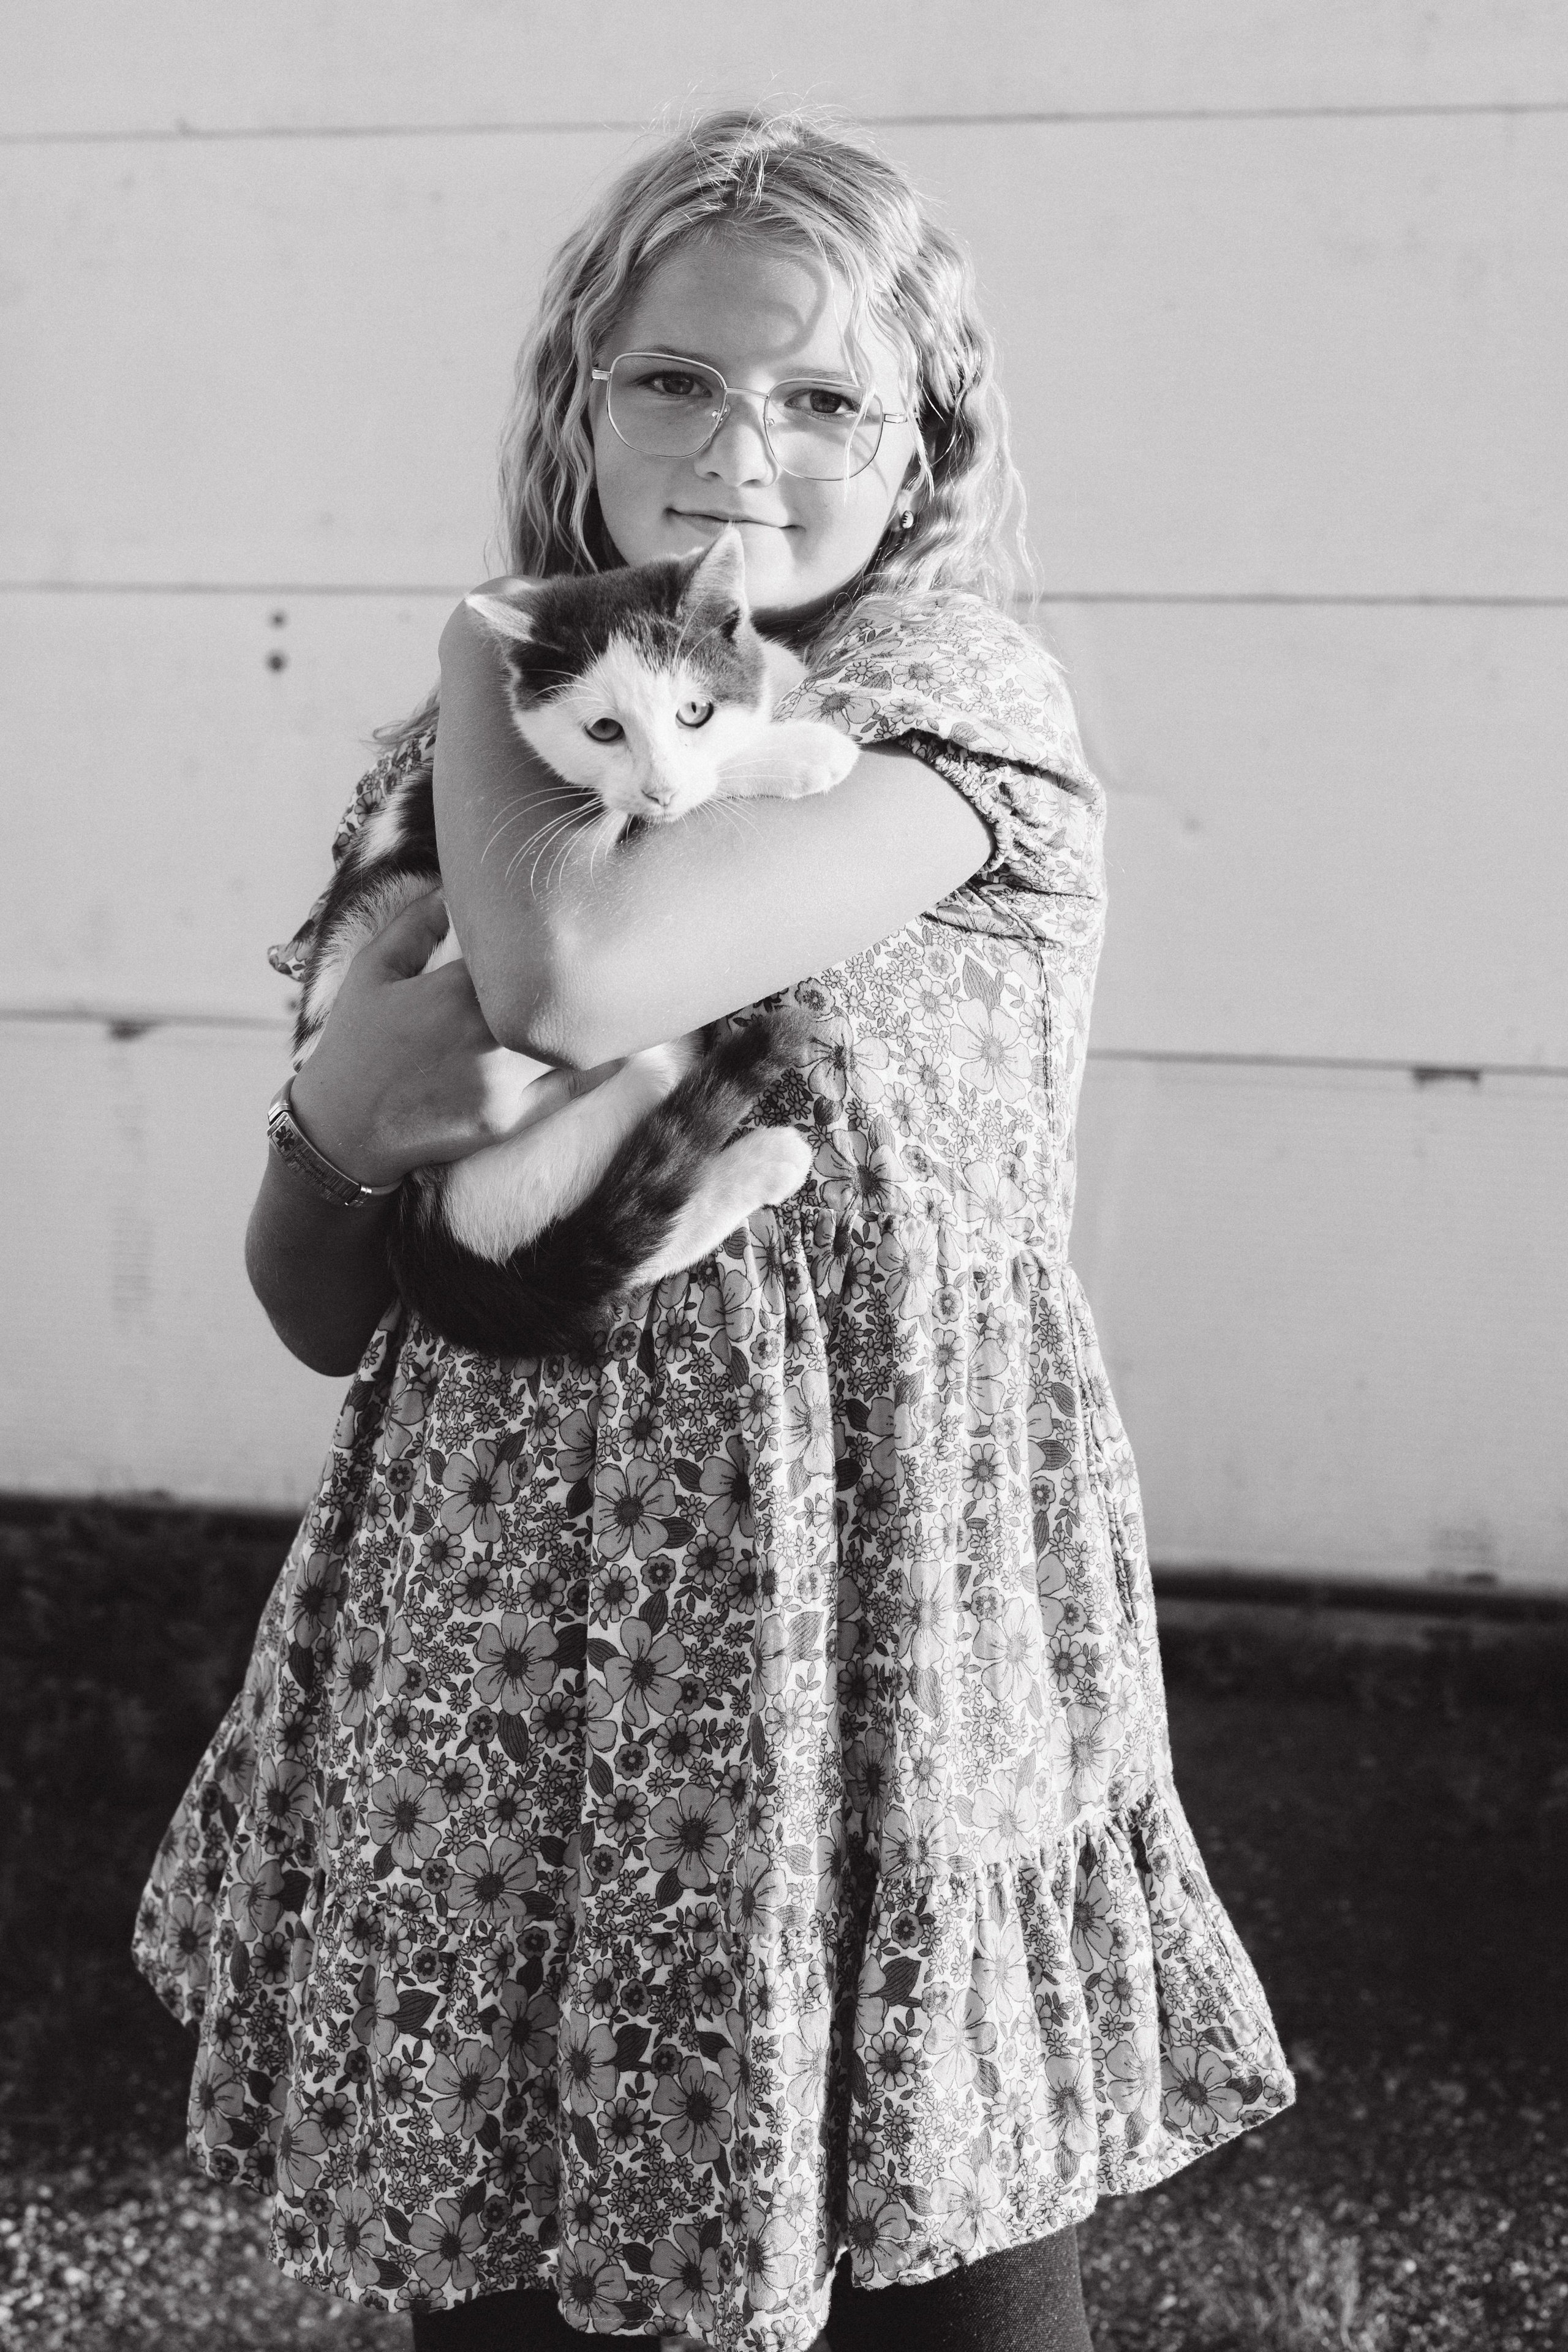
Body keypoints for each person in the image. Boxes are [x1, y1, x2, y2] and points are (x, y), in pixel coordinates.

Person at [134, 107, 1294, 2352]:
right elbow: (314, 1311)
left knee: (940, 2297)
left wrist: (495, 660)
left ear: (922, 442)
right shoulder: (443, 764)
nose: (741, 446)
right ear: (579, 402)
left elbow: (572, 974)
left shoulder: (949, 715)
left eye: (825, 396)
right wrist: (331, 1121)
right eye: (674, 378)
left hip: (883, 1666)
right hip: (505, 1687)